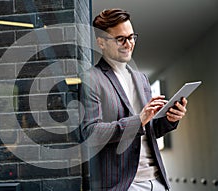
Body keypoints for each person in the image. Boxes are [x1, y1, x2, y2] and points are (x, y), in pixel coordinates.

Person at [80, 8, 187, 191]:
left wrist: (169, 119)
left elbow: (148, 129)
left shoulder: (141, 78)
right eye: (121, 38)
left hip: (157, 180)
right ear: (101, 43)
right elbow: (91, 133)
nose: (129, 44)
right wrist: (138, 120)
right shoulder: (92, 79)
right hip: (124, 185)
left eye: (131, 37)